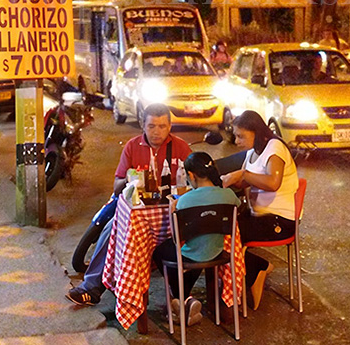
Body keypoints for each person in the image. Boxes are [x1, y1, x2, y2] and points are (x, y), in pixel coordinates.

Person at [66, 103, 192, 306]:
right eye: (151, 126)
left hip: (169, 213)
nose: (156, 132)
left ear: (170, 127)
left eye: (162, 126)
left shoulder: (181, 148)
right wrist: (130, 178)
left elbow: (195, 182)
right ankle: (92, 288)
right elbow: (117, 187)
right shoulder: (133, 147)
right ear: (143, 125)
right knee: (111, 228)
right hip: (136, 211)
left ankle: (181, 296)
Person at [221, 110, 299, 311]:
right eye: (235, 136)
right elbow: (243, 182)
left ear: (256, 132)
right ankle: (253, 271)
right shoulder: (251, 153)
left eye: (241, 136)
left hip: (278, 220)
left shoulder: (275, 148)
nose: (236, 141)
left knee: (230, 236)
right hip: (257, 216)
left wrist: (242, 174)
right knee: (218, 230)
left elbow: (273, 182)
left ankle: (253, 272)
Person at [152, 152, 240, 326]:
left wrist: (172, 210)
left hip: (191, 254)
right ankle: (186, 303)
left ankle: (183, 299)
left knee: (160, 252)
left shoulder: (184, 201)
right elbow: (236, 208)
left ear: (191, 175)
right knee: (197, 250)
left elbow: (176, 236)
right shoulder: (229, 195)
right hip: (217, 251)